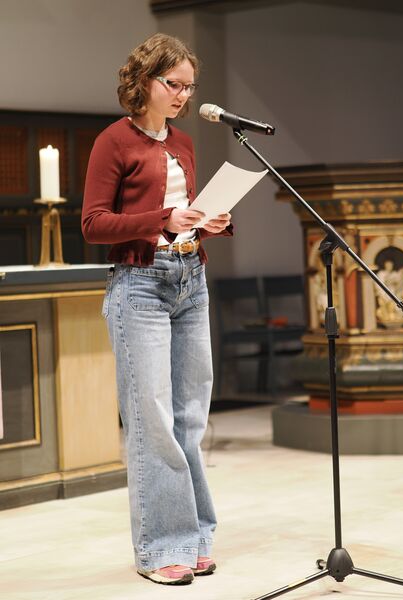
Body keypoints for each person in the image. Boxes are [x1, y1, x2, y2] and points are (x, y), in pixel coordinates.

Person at [81, 32, 232, 586]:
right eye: (175, 84)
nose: (184, 95)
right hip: (139, 285)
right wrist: (161, 220)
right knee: (153, 422)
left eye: (190, 87)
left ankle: (195, 539)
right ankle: (160, 548)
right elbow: (93, 224)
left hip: (190, 278)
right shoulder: (113, 141)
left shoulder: (184, 142)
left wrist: (209, 221)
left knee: (190, 420)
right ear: (145, 80)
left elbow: (182, 216)